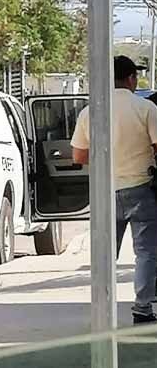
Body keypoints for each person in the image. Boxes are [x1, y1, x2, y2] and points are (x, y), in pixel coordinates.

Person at [71, 55, 157, 325]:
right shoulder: (146, 109)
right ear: (131, 79)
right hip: (141, 188)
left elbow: (79, 156)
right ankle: (142, 308)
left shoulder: (90, 111)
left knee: (106, 252)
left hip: (105, 191)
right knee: (145, 252)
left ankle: (103, 310)